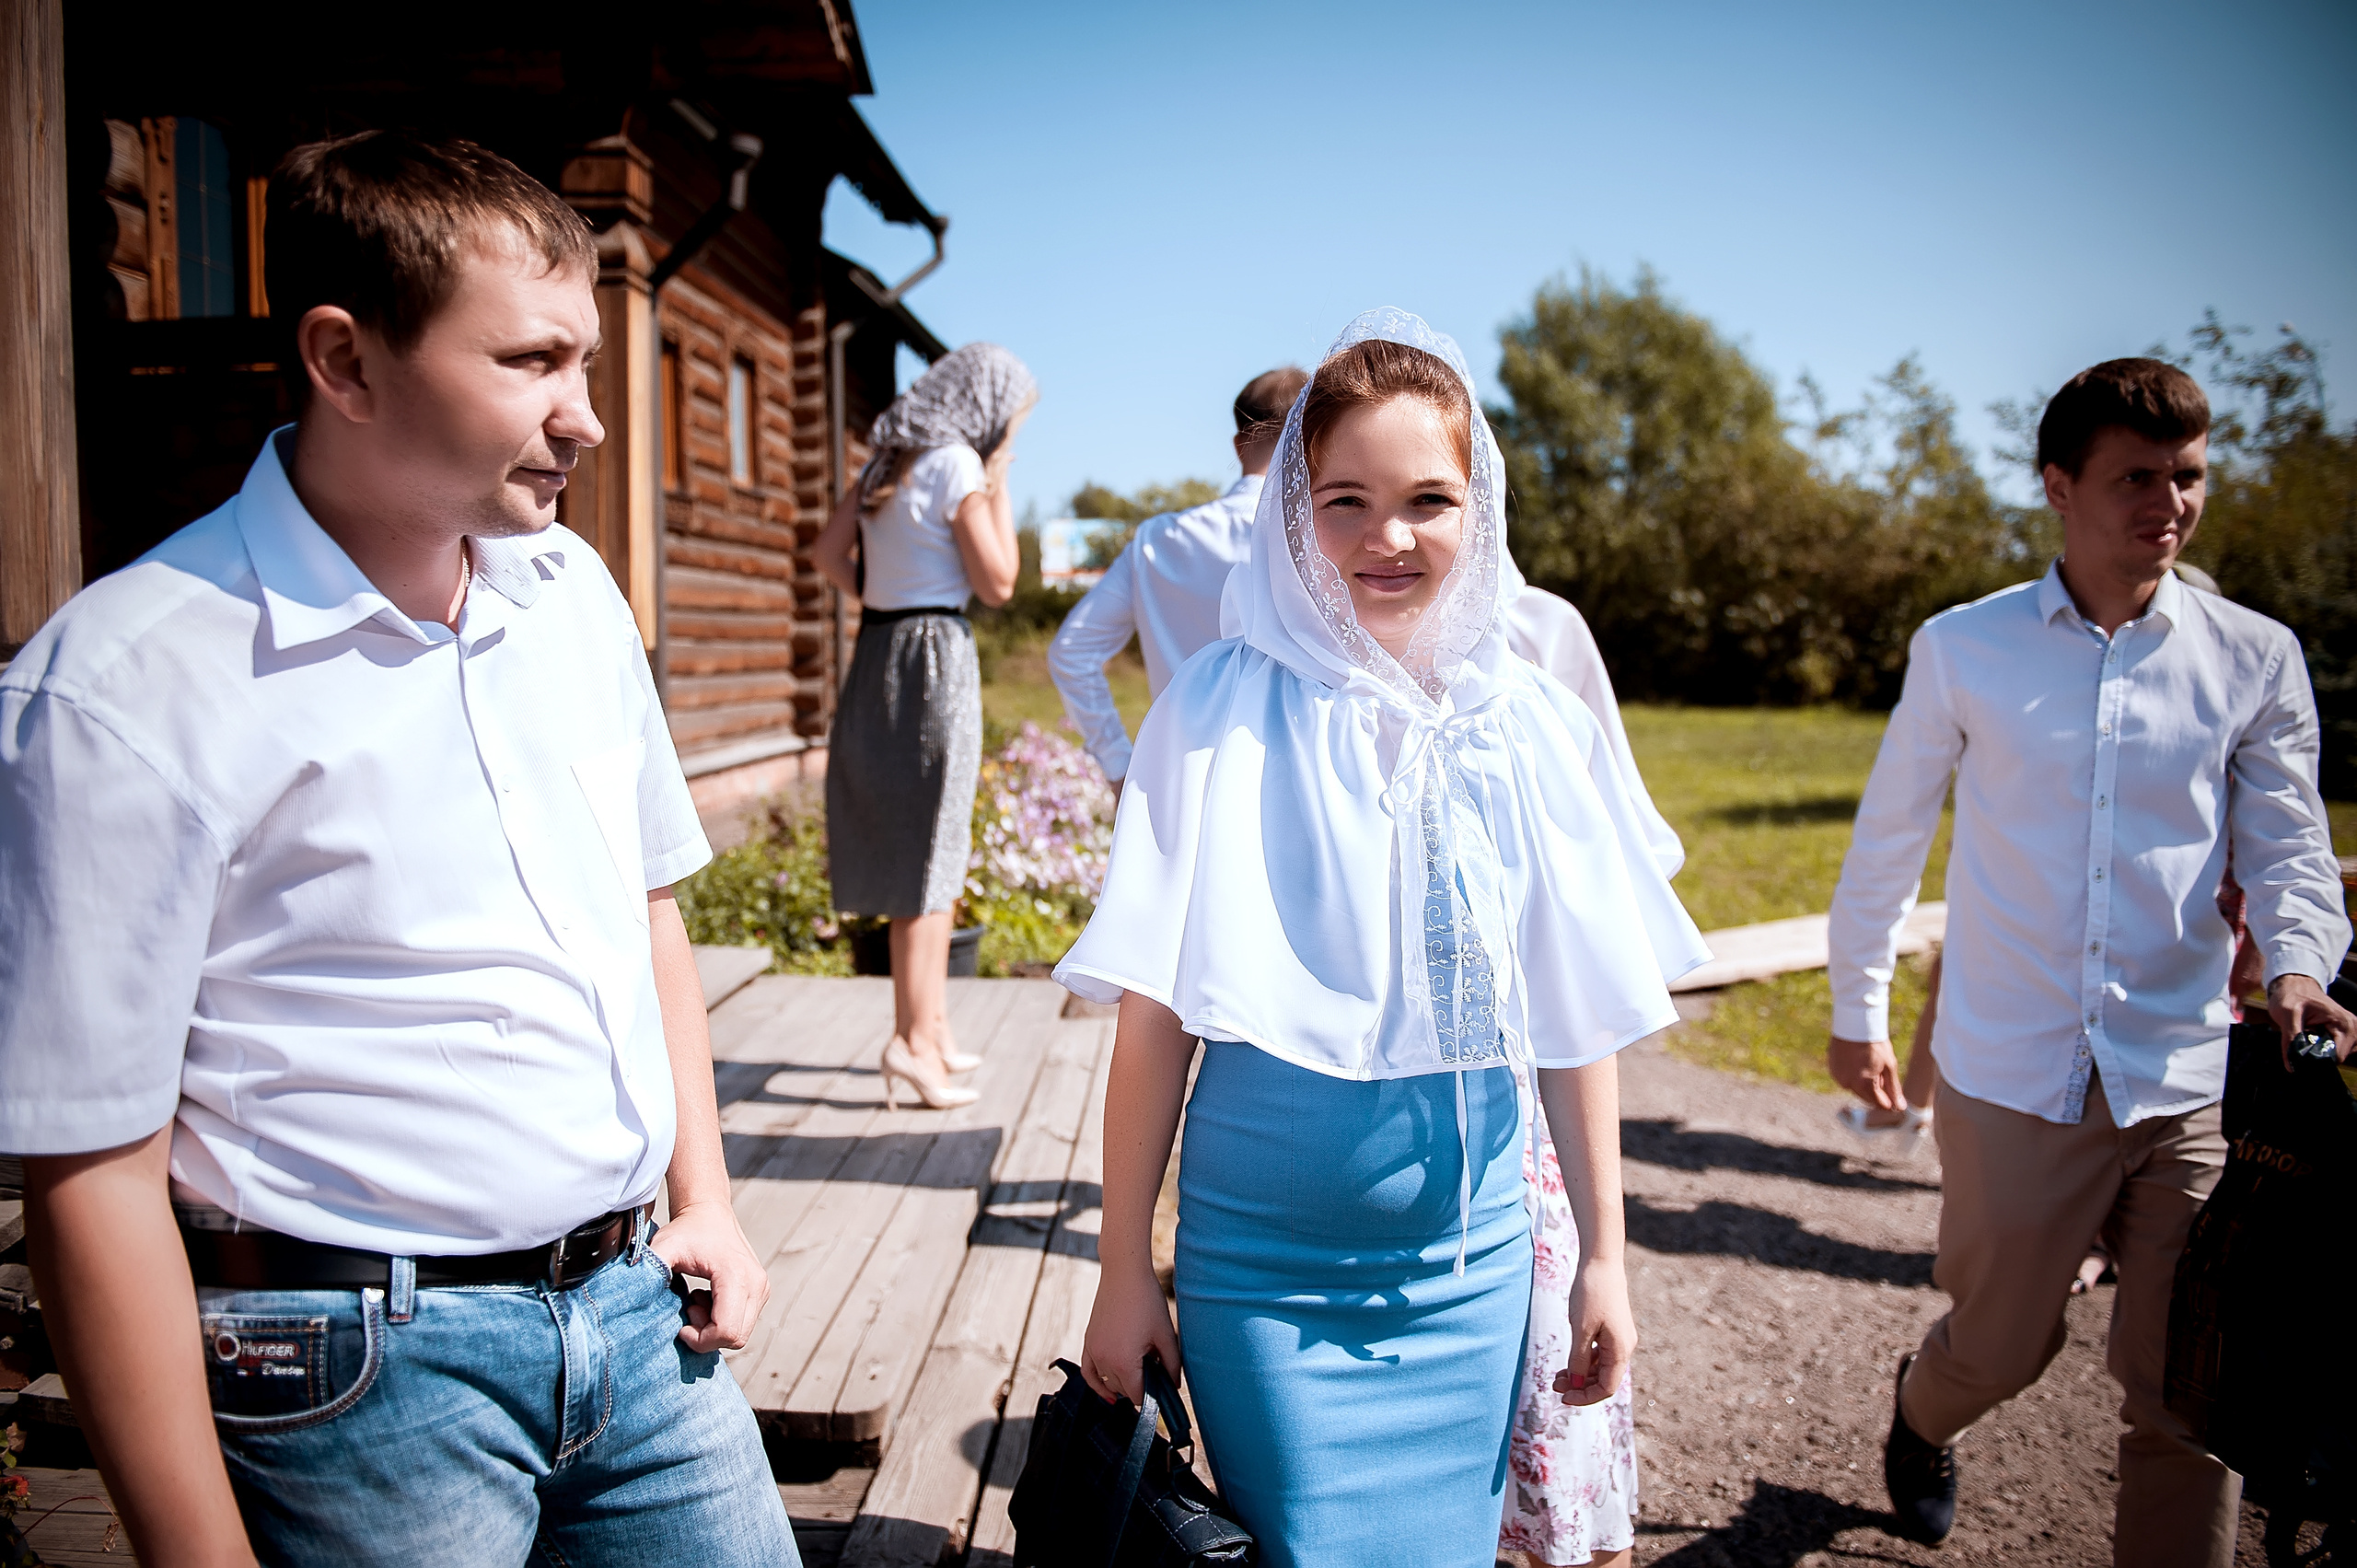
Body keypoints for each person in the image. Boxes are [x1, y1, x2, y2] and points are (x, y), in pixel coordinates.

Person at [0, 133, 795, 1565]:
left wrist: (709, 1199)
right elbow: (91, 1174)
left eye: (587, 361)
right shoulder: (123, 685)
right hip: (358, 1376)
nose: (586, 417)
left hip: (644, 1323)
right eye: (532, 361)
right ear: (345, 362)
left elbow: (647, 908)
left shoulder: (575, 592)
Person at [1061, 308, 1710, 1568]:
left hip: (1470, 1267)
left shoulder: (1526, 724)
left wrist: (1605, 1259)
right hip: (1265, 1269)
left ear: (1481, 510)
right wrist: (1122, 1265)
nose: (1388, 537)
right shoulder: (1215, 708)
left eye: (1428, 500)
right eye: (1345, 501)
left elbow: (1573, 1022)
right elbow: (1152, 1027)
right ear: (1291, 512)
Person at [1824, 357, 2356, 1565]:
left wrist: (2298, 964)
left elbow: (2288, 843)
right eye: (2136, 478)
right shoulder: (1964, 648)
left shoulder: (2255, 656)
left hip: (2186, 1074)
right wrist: (1859, 1008)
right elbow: (1888, 840)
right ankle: (1924, 1410)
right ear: (2058, 485)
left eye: (2189, 475)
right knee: (2000, 1345)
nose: (2170, 502)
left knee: (2190, 1394)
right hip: (2010, 1071)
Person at [1494, 578, 1675, 1568]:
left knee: (1552, 1402)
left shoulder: (1537, 630)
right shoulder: (1270, 622)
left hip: (1522, 1088)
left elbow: (1616, 826)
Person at [812, 343, 1038, 1110]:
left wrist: (886, 594)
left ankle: (931, 1025)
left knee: (927, 843)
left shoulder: (887, 460)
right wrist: (997, 479)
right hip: (936, 652)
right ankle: (910, 1042)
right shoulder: (957, 465)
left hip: (879, 647)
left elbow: (825, 553)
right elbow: (999, 581)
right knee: (933, 845)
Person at [1047, 366, 1307, 788]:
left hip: (1176, 782)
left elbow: (1071, 651)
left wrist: (1118, 764)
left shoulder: (1155, 540)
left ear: (1238, 445)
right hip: (1287, 780)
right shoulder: (1312, 537)